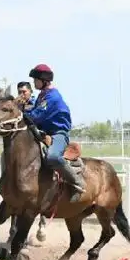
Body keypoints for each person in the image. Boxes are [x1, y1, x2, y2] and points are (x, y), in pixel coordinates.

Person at [24, 63, 85, 201]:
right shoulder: (42, 95)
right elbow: (33, 112)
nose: (34, 83)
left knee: (52, 156)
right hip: (44, 132)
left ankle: (77, 181)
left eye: (36, 80)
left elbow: (36, 115)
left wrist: (21, 112)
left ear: (44, 80)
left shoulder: (52, 97)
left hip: (58, 133)